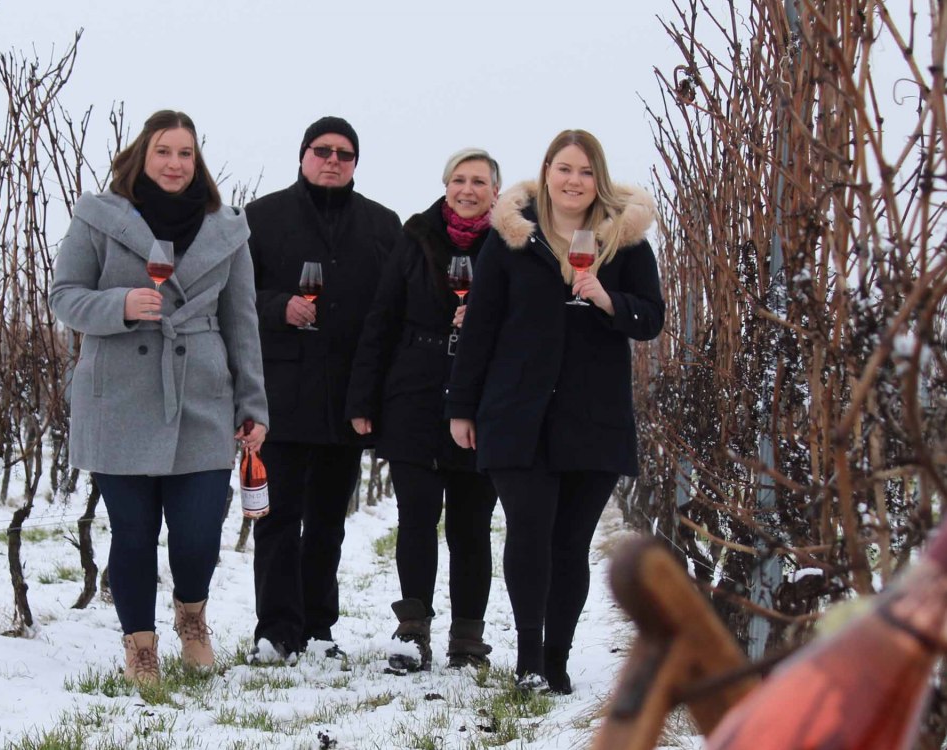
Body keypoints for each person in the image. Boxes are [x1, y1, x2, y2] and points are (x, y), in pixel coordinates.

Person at [48, 109, 268, 685]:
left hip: (200, 394)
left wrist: (253, 406)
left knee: (198, 533)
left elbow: (241, 321)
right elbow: (64, 295)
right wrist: (119, 306)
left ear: (198, 162)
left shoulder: (228, 229)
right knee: (133, 534)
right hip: (118, 395)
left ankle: (191, 618)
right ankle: (139, 645)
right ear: (142, 156)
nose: (175, 163)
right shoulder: (99, 218)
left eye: (186, 153)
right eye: (163, 152)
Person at [445, 129, 664, 693]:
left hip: (594, 417)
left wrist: (606, 299)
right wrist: (462, 407)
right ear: (546, 172)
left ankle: (558, 657)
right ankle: (529, 659)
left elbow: (650, 319)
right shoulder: (512, 240)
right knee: (528, 532)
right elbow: (482, 327)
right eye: (564, 169)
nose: (574, 181)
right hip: (517, 412)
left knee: (570, 542)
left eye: (586, 172)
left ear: (601, 180)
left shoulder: (627, 243)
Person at [246, 116, 402, 661]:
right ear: (303, 155)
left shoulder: (384, 226)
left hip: (347, 400)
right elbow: (235, 297)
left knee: (329, 523)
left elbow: (392, 312)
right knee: (279, 517)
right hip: (281, 394)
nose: (332, 160)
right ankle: (274, 629)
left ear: (355, 162)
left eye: (344, 153)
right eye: (322, 151)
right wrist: (275, 305)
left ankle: (317, 627)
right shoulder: (261, 218)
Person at [346, 148, 502, 673]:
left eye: (479, 181)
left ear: (495, 192)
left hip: (481, 400)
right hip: (412, 393)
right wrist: (363, 399)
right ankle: (412, 631)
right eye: (459, 179)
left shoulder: (512, 244)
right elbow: (382, 317)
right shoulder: (414, 238)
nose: (468, 189)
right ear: (445, 185)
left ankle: (467, 637)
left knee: (471, 524)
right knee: (415, 517)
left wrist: (482, 320)